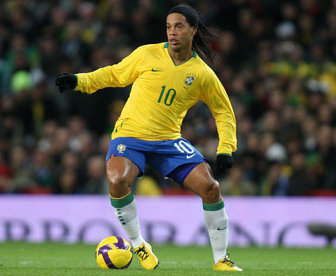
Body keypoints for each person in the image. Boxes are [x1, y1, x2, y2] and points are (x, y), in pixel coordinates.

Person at [56, 3, 241, 271]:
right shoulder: (146, 54)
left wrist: (226, 148)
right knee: (118, 180)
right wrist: (79, 81)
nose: (172, 32)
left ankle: (221, 260)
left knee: (211, 188)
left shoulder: (202, 74)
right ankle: (139, 244)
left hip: (168, 141)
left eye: (178, 26)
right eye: (168, 26)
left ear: (193, 30)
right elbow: (114, 74)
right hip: (130, 136)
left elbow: (223, 112)